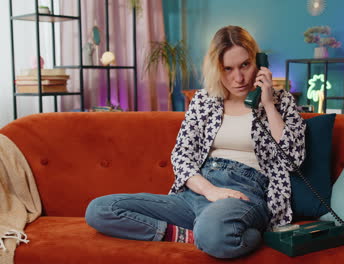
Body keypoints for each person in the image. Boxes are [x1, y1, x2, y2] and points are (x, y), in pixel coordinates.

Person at [85, 25, 306, 259]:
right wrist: (209, 190)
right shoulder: (203, 100)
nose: (238, 78)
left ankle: (212, 232)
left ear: (259, 63)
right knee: (100, 209)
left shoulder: (280, 101)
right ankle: (190, 234)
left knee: (214, 233)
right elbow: (181, 155)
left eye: (245, 65)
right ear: (215, 69)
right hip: (197, 191)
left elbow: (293, 161)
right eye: (227, 69)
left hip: (244, 193)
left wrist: (268, 104)